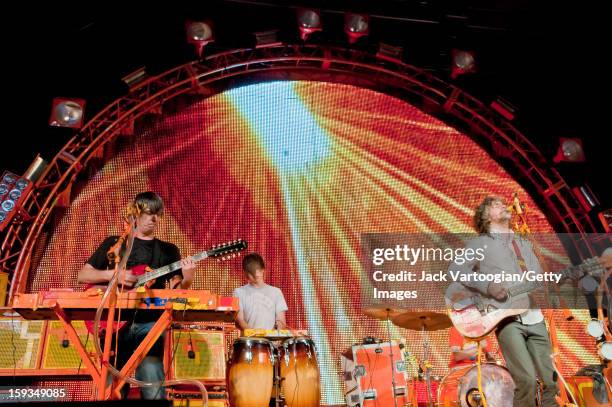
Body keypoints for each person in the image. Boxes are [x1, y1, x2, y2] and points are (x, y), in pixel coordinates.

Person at [77, 191, 196, 399]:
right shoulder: (115, 244)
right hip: (112, 323)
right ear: (136, 214)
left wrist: (187, 278)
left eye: (158, 214)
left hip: (149, 324)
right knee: (110, 391)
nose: (154, 219)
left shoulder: (168, 250)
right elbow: (83, 275)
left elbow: (176, 292)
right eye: (150, 213)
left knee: (152, 382)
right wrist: (115, 274)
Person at [451, 195, 559, 407]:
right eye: (495, 205)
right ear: (485, 217)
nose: (503, 205)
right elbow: (456, 271)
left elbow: (536, 278)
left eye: (503, 203)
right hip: (507, 321)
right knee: (526, 380)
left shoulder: (523, 243)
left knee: (550, 382)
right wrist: (488, 286)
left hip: (535, 318)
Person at [233, 253, 288, 331]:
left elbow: (281, 321)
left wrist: (271, 336)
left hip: (271, 341)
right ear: (245, 273)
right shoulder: (239, 292)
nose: (256, 274)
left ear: (263, 270)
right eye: (252, 272)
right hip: (249, 341)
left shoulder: (276, 292)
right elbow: (240, 320)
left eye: (258, 270)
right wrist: (255, 336)